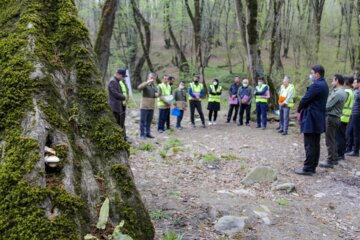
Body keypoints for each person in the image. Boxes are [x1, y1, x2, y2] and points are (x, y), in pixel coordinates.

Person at [295, 64, 329, 176]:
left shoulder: (317, 85)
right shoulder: (324, 84)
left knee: (309, 143)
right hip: (318, 118)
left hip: (311, 118)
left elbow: (305, 99)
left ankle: (308, 168)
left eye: (312, 73)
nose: (311, 75)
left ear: (317, 74)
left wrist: (299, 109)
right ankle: (313, 166)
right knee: (315, 143)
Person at [319, 74, 347, 168]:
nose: (332, 82)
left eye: (333, 80)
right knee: (333, 139)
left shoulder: (338, 93)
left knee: (329, 140)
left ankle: (330, 160)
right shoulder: (341, 92)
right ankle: (334, 158)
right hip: (335, 118)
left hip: (332, 118)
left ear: (337, 81)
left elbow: (328, 106)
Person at [108, 68, 130, 141]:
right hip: (114, 107)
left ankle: (121, 138)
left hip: (118, 106)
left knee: (120, 123)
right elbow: (115, 93)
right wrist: (124, 97)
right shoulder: (113, 81)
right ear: (119, 75)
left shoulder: (116, 81)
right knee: (116, 124)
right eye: (123, 76)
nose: (123, 78)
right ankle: (117, 139)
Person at [335, 77, 354, 161]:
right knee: (342, 136)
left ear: (346, 83)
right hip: (347, 117)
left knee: (339, 137)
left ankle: (340, 154)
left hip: (341, 116)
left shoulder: (346, 92)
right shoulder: (351, 92)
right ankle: (341, 153)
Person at [138, 73, 159, 140]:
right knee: (143, 121)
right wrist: (148, 82)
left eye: (154, 78)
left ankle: (148, 133)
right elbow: (139, 87)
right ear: (148, 77)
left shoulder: (155, 86)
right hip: (144, 106)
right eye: (151, 78)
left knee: (149, 121)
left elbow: (157, 93)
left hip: (151, 106)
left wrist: (157, 94)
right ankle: (142, 134)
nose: (152, 79)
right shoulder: (145, 84)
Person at [346, 77, 360, 157]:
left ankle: (356, 151)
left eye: (355, 83)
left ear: (359, 83)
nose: (353, 84)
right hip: (354, 113)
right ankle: (350, 149)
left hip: (357, 114)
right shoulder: (357, 92)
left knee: (356, 132)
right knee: (351, 131)